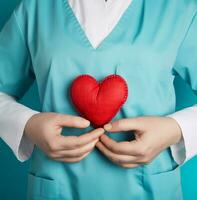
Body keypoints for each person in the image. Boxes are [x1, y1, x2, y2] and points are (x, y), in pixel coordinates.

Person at [0, 0, 197, 199]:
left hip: (151, 189)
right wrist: (28, 124)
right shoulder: (35, 9)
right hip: (56, 188)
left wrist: (175, 129)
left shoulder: (180, 10)